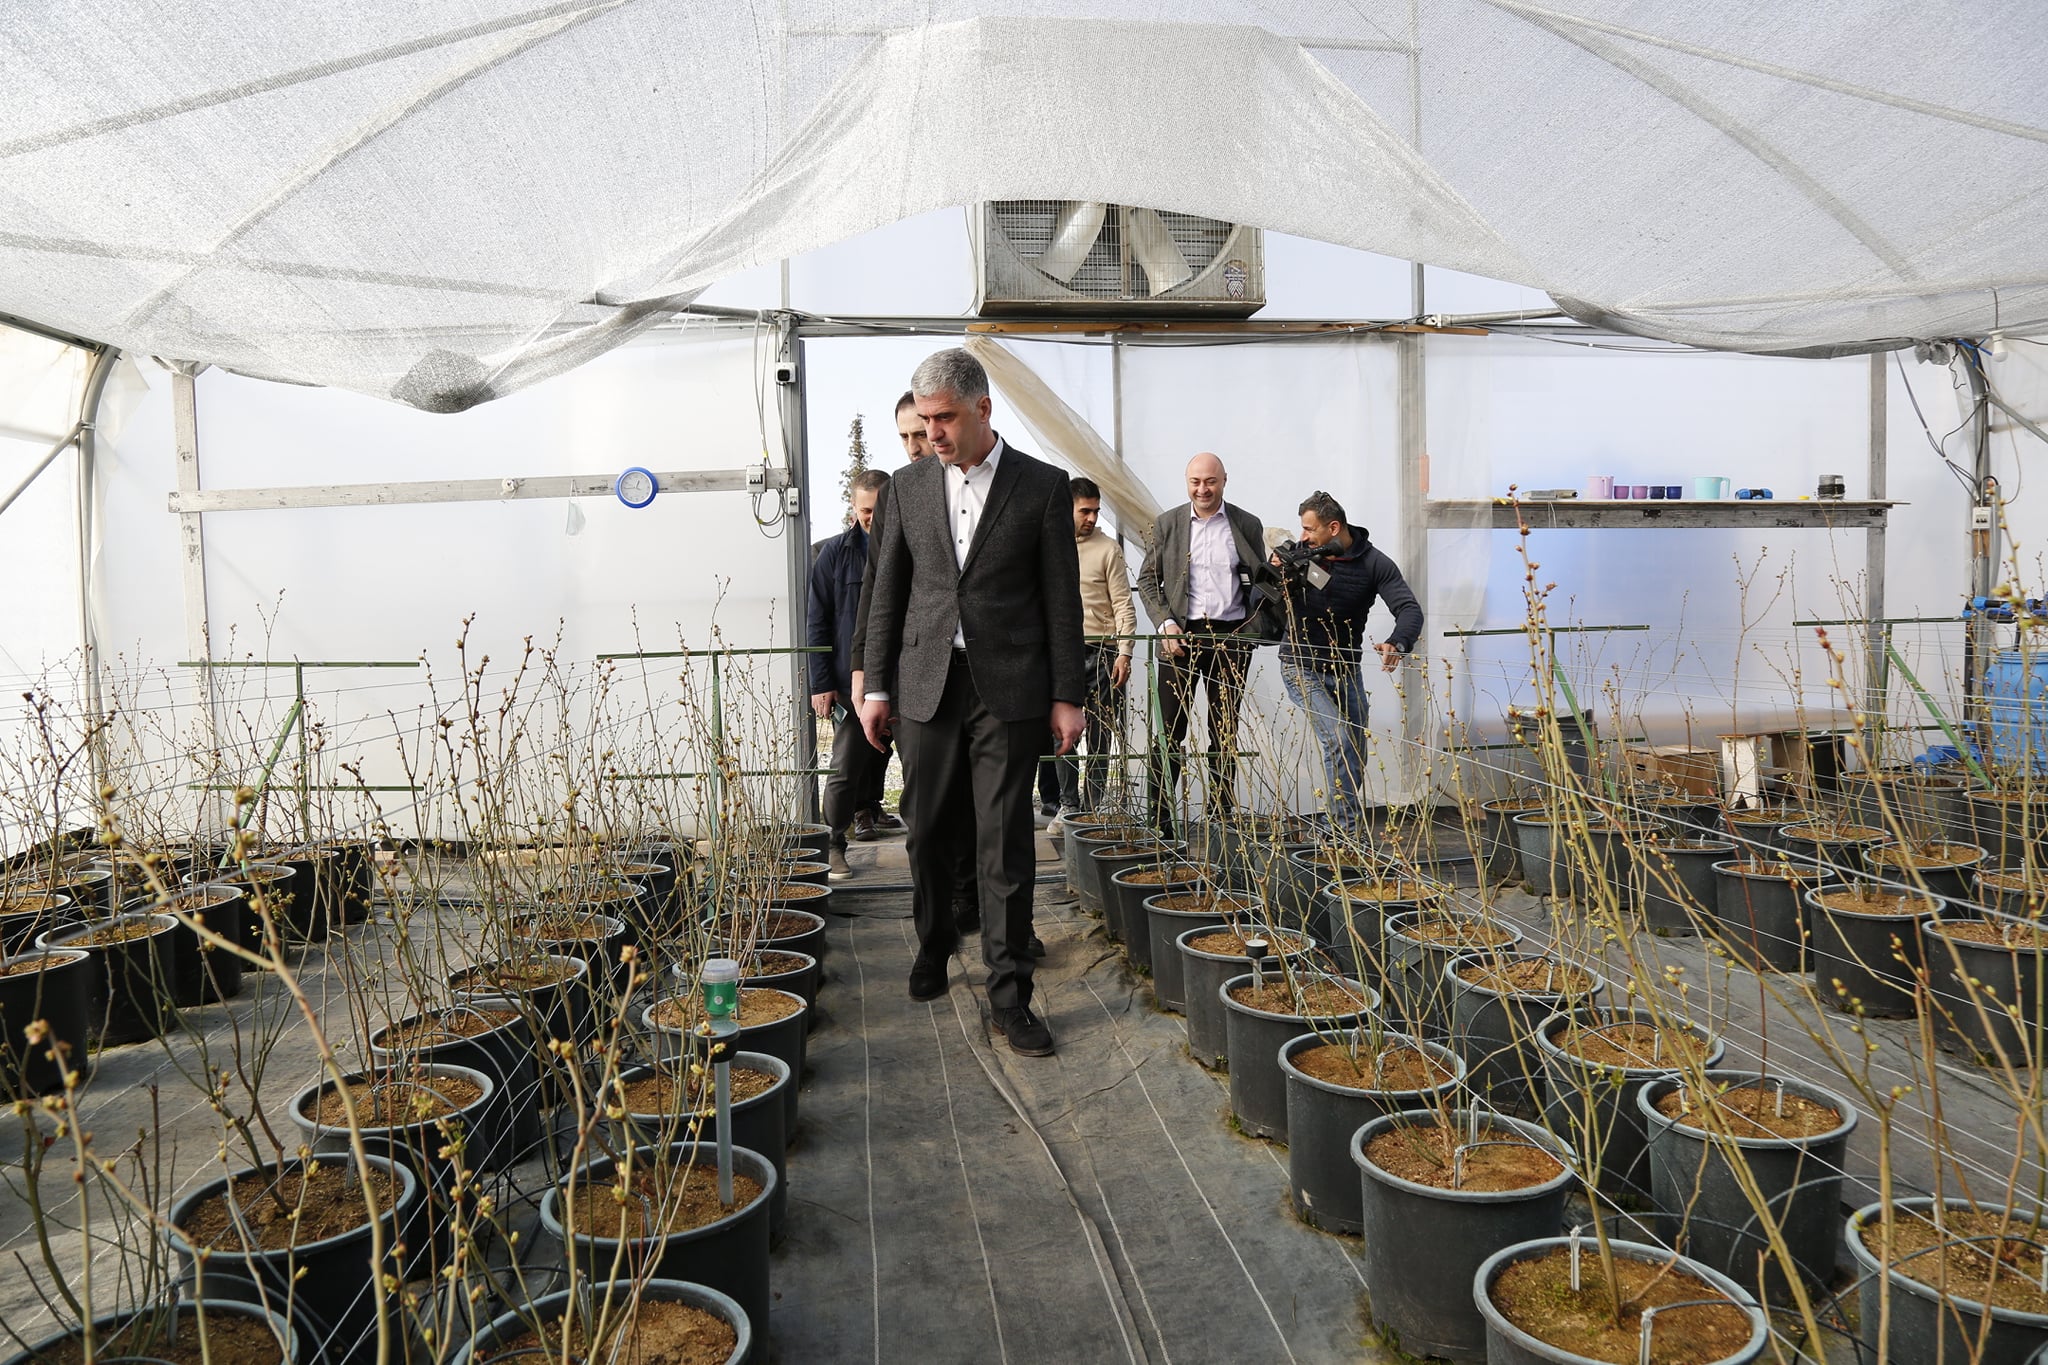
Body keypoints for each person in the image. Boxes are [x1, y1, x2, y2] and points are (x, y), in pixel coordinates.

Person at [861, 348, 1085, 1056]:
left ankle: (1010, 996)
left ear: (983, 408)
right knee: (926, 829)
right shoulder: (905, 487)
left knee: (1005, 841)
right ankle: (934, 945)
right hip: (926, 683)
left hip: (1009, 687)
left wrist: (1067, 695)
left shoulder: (1042, 486)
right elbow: (886, 594)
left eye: (945, 418)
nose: (932, 433)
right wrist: (875, 686)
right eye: (924, 419)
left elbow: (1062, 600)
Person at [849, 393, 982, 927]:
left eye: (921, 433)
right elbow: (877, 592)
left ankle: (977, 902)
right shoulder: (901, 495)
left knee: (981, 795)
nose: (914, 445)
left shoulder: (980, 488)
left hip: (980, 669)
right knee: (927, 799)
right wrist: (866, 672)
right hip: (917, 672)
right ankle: (940, 906)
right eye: (905, 435)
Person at [1134, 453, 1278, 837]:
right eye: (1195, 482)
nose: (1203, 489)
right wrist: (1165, 624)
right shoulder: (1168, 524)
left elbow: (1260, 581)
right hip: (1181, 638)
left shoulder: (1246, 524)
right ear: (1187, 482)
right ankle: (1160, 820)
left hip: (1231, 638)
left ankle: (1220, 816)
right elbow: (1147, 580)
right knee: (1168, 730)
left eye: (1210, 481)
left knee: (1224, 729)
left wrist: (1251, 629)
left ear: (1224, 480)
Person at [1271, 491, 1423, 833]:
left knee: (1354, 747)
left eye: (1309, 529)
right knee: (1339, 739)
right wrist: (1278, 574)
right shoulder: (1298, 557)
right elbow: (1258, 600)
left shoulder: (1374, 563)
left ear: (1334, 528)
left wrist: (1398, 642)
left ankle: (1339, 827)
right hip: (1300, 664)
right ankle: (1345, 833)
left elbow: (1409, 609)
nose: (1303, 536)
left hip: (1346, 668)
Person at [809, 469, 894, 879]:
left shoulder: (912, 546)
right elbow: (817, 621)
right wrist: (822, 683)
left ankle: (934, 852)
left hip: (909, 679)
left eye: (880, 509)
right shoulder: (834, 554)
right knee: (844, 768)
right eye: (865, 510)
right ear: (853, 507)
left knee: (925, 768)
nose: (872, 518)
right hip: (852, 683)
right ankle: (833, 844)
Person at [1050, 477, 1136, 827]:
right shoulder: (1049, 544)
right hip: (1061, 652)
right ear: (1066, 509)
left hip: (1103, 652)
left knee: (1102, 733)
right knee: (1062, 732)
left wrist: (1125, 652)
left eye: (1096, 511)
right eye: (1084, 511)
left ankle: (1094, 807)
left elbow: (1123, 604)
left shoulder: (1108, 549)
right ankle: (1068, 805)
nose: (1092, 518)